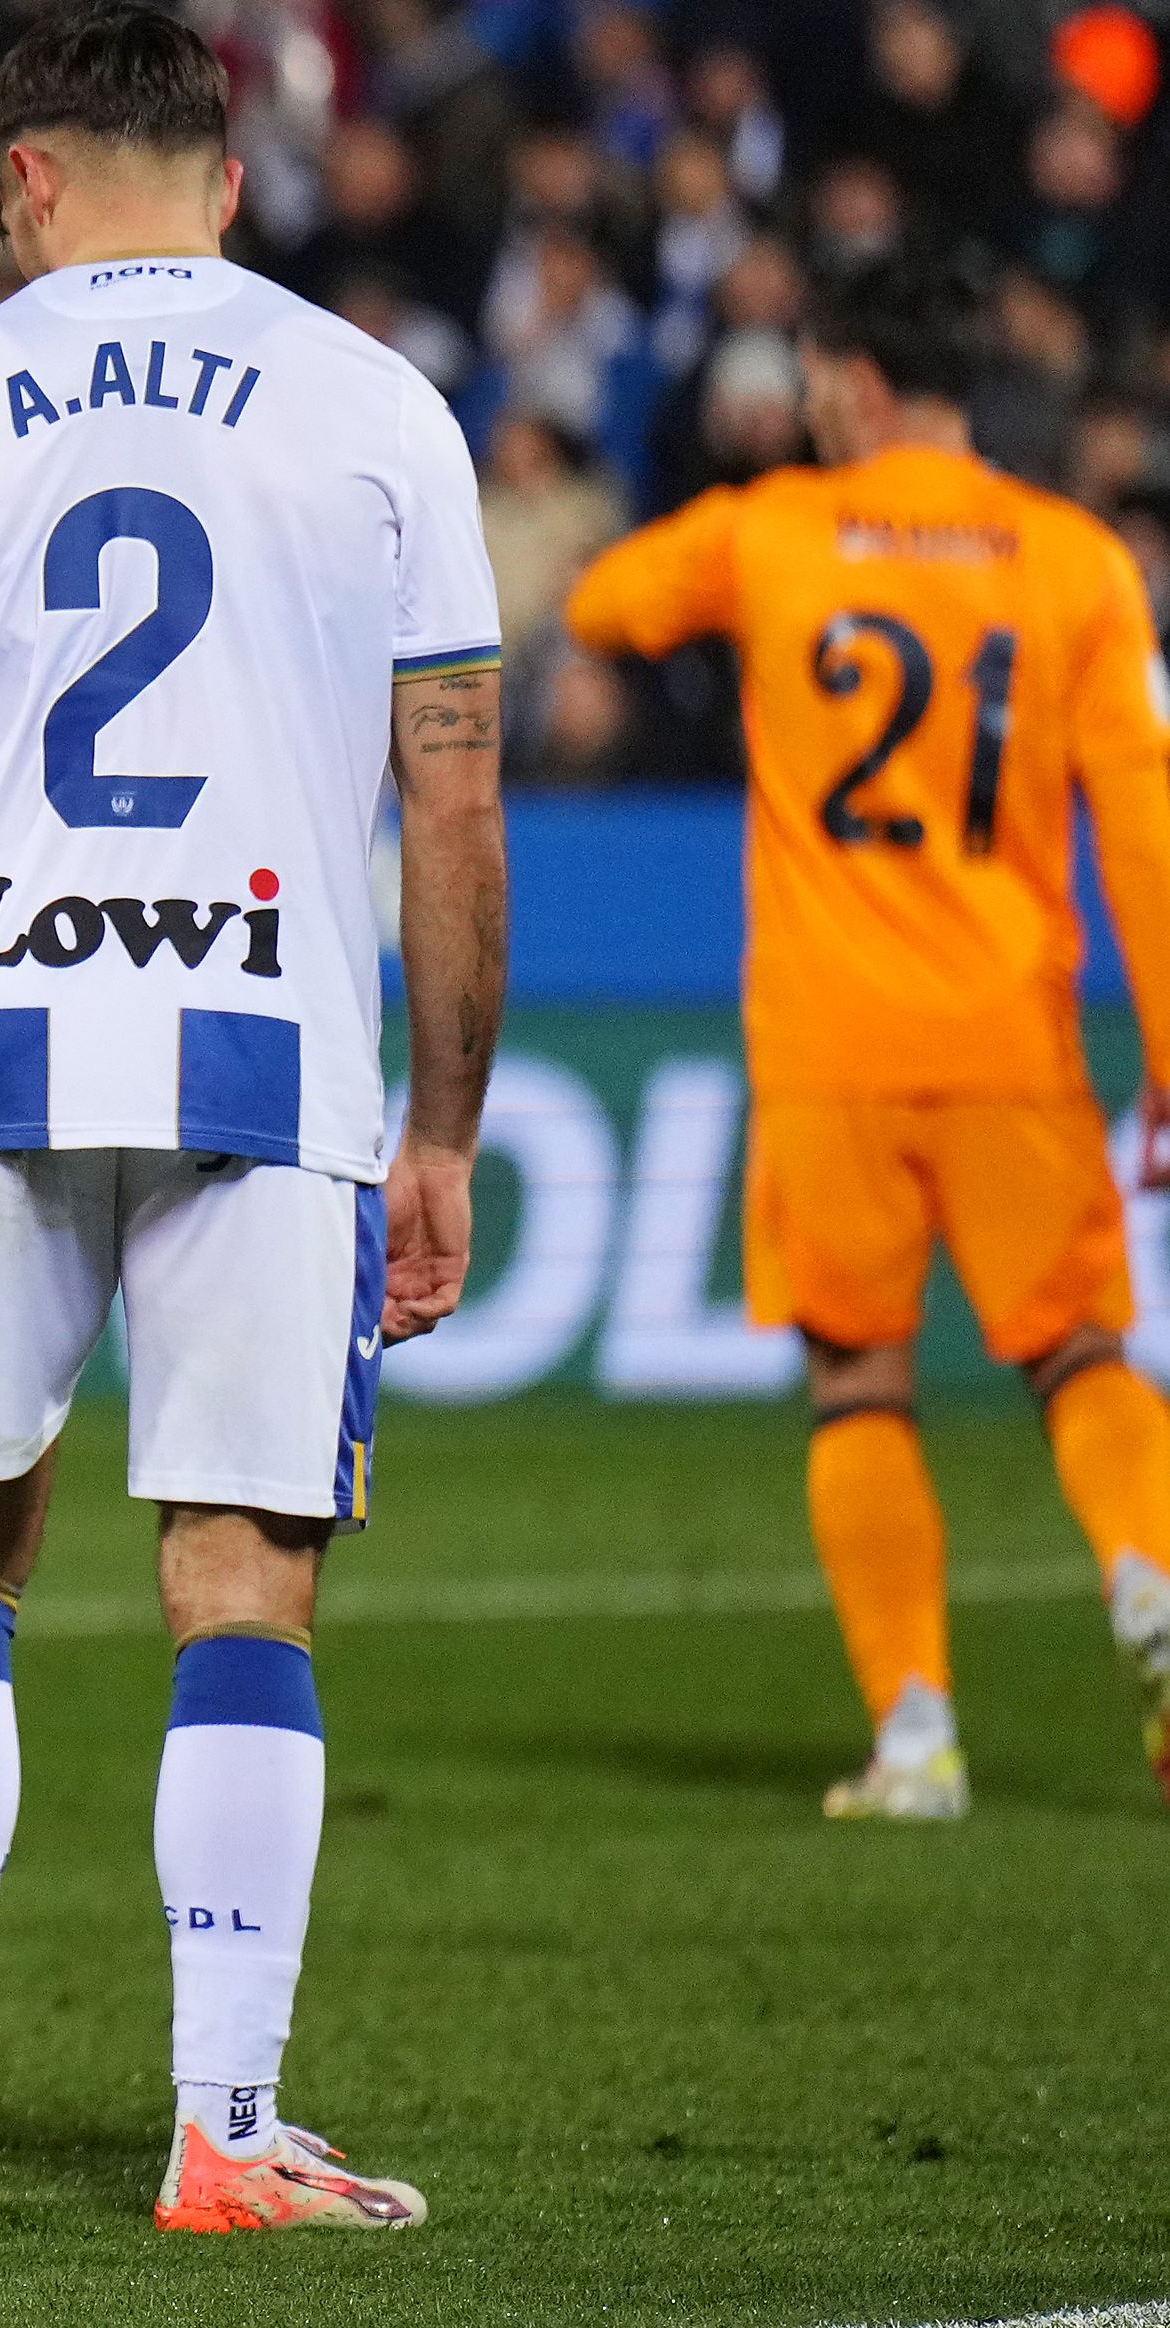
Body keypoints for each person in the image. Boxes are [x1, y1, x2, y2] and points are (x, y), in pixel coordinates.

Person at [0, 5, 504, 2232]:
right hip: (267, 1050)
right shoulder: (373, 401)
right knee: (239, 1584)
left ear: (18, 176)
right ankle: (221, 2131)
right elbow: (453, 788)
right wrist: (442, 1128)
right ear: (220, 173)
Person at [567, 258, 1170, 1822]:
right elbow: (1147, 840)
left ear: (844, 380)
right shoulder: (1074, 564)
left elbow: (602, 601)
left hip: (826, 1042)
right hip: (1010, 1041)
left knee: (856, 1384)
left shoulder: (770, 531)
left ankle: (913, 1736)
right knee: (1080, 1354)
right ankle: (1142, 1573)